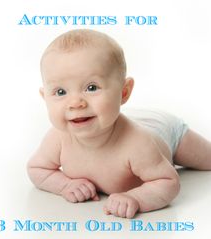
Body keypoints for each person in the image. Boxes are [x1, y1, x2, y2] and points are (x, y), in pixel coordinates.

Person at [27, 29, 211, 218]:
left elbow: (168, 181)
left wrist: (137, 198)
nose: (75, 103)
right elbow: (37, 169)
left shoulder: (137, 143)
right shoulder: (58, 138)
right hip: (115, 119)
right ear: (45, 97)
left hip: (165, 129)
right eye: (60, 92)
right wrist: (65, 185)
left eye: (91, 88)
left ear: (123, 93)